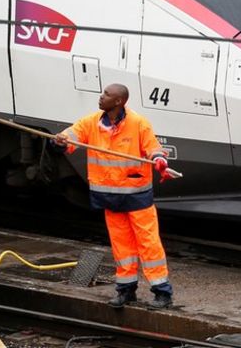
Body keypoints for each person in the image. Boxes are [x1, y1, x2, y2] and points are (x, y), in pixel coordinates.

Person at [53, 83, 174, 309]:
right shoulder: (91, 122)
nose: (101, 96)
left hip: (136, 196)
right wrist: (59, 141)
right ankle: (126, 290)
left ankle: (162, 292)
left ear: (118, 101)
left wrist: (159, 159)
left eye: (107, 94)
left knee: (149, 244)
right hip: (110, 196)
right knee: (122, 247)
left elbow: (153, 148)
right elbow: (70, 137)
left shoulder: (138, 123)